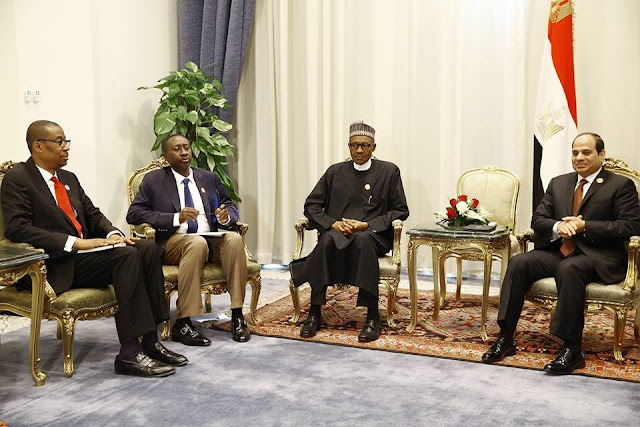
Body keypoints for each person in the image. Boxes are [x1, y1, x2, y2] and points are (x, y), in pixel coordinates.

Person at [1, 120, 188, 378]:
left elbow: (92, 214)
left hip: (84, 258)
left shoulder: (68, 178)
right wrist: (75, 242)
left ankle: (150, 341)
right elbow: (18, 228)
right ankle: (129, 354)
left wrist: (114, 234)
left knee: (145, 248)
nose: (66, 148)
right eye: (59, 142)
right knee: (127, 256)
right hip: (55, 263)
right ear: (38, 147)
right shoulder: (18, 178)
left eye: (67, 141)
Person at [482, 132, 640, 374]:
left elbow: (630, 226)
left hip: (600, 256)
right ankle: (506, 337)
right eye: (575, 152)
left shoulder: (620, 185)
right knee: (519, 262)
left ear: (601, 154)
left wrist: (584, 225)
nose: (579, 157)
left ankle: (572, 349)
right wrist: (559, 226)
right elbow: (539, 220)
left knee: (570, 268)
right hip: (563, 248)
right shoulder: (560, 182)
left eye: (586, 152)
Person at [290, 121, 409, 342]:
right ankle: (314, 312)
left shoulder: (389, 171)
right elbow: (311, 206)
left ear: (374, 147)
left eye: (365, 145)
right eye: (354, 145)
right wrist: (333, 223)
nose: (359, 150)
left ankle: (373, 316)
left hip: (373, 235)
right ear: (348, 146)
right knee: (326, 241)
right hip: (338, 232)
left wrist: (368, 224)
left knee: (362, 240)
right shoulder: (335, 172)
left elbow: (401, 210)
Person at [126, 134, 250, 345]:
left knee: (234, 239)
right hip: (175, 240)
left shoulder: (207, 178)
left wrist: (225, 216)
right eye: (177, 149)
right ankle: (183, 323)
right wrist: (176, 217)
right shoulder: (154, 180)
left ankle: (237, 315)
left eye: (186, 147)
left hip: (210, 237)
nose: (184, 152)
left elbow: (229, 205)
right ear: (165, 157)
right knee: (195, 242)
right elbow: (135, 214)